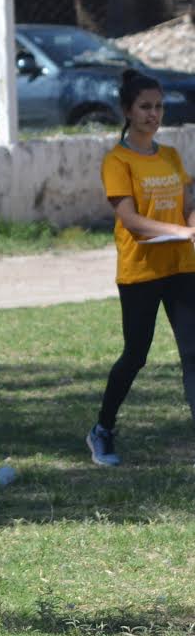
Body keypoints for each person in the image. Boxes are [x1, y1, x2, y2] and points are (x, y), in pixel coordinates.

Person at [87, 69, 195, 465]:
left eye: (159, 107)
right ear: (127, 111)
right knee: (136, 354)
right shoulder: (118, 160)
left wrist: (191, 224)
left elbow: (188, 203)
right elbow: (131, 220)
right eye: (145, 107)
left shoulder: (170, 155)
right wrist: (180, 231)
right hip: (140, 271)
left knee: (193, 352)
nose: (154, 114)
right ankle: (102, 430)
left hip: (182, 266)